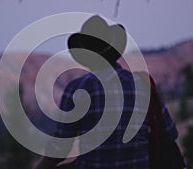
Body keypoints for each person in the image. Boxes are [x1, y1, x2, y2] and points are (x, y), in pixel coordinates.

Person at [33, 15, 178, 169]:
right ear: (116, 51)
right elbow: (168, 134)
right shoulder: (143, 86)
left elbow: (61, 148)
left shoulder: (78, 89)